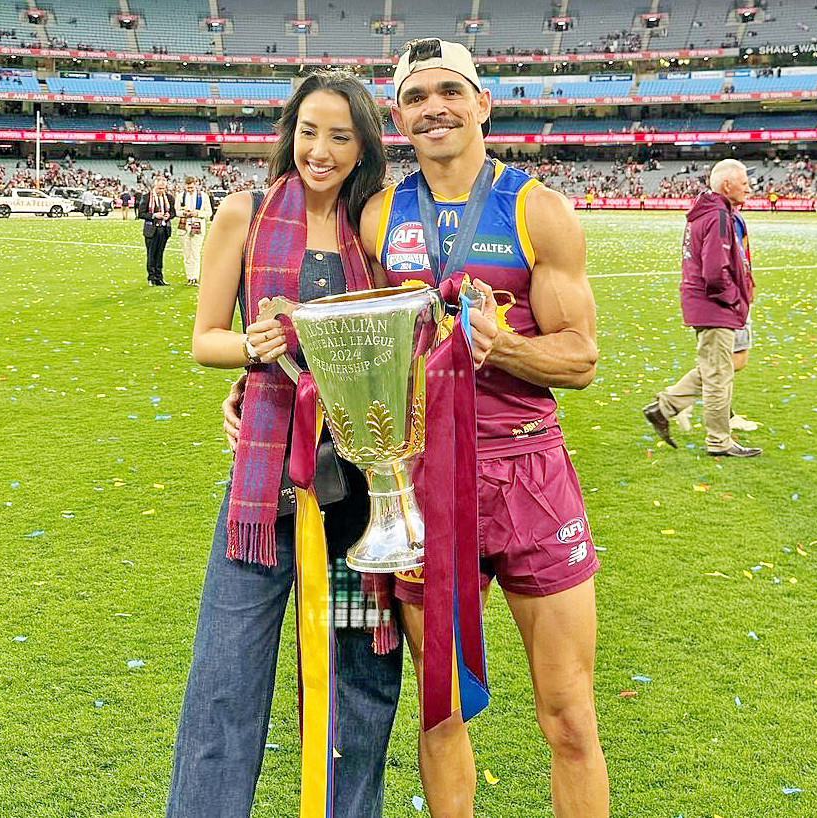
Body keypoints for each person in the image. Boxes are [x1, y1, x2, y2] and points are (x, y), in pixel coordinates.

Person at [222, 37, 606, 817]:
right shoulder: (379, 216)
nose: (435, 107)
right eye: (417, 97)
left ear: (482, 104)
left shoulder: (538, 210)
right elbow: (339, 332)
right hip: (421, 484)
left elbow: (582, 357)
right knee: (440, 708)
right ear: (399, 117)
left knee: (567, 713)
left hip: (527, 475)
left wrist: (511, 350)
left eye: (450, 91)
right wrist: (261, 379)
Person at [166, 71, 402, 818]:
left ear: (363, 143)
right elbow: (206, 340)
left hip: (361, 504)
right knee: (225, 682)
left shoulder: (380, 224)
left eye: (339, 136)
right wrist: (253, 350)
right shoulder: (245, 212)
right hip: (263, 492)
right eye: (308, 131)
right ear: (289, 133)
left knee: (359, 687)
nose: (320, 150)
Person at [643, 158, 762, 457]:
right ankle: (718, 441)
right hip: (715, 306)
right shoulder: (718, 216)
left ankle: (664, 407)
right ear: (726, 185)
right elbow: (714, 272)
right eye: (744, 182)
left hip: (707, 305)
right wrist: (735, 298)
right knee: (719, 375)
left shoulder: (708, 213)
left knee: (715, 369)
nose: (749, 187)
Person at [176, 176, 213, 286]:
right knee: (187, 254)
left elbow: (209, 213)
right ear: (185, 186)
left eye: (192, 188)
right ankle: (189, 277)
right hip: (184, 228)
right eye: (188, 188)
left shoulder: (203, 196)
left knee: (195, 254)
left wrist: (197, 213)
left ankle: (195, 278)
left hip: (197, 227)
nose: (190, 190)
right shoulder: (180, 196)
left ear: (195, 185)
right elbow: (175, 211)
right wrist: (184, 213)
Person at [140, 175, 175, 286]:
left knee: (160, 254)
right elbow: (141, 214)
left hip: (164, 229)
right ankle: (151, 277)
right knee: (151, 254)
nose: (161, 190)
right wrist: (154, 215)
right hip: (151, 230)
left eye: (163, 188)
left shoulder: (169, 198)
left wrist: (168, 216)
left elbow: (173, 213)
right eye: (159, 188)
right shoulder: (147, 197)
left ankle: (159, 277)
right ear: (154, 186)